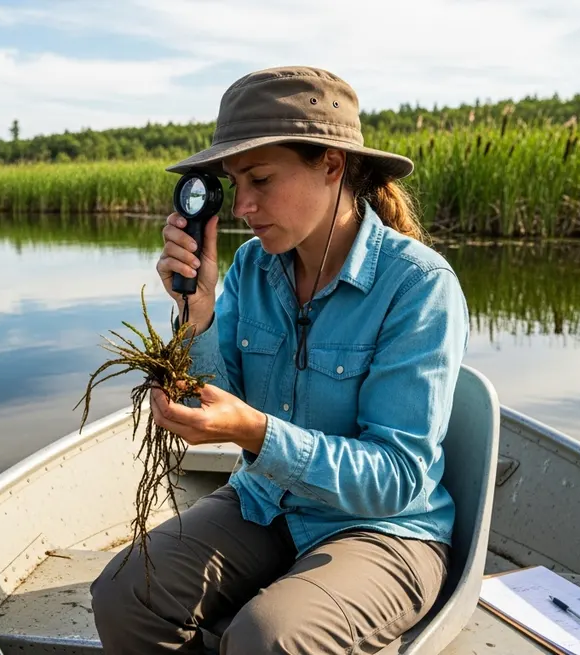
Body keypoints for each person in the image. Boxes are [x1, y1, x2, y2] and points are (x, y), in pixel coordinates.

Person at [90, 65, 470, 654]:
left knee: (268, 639)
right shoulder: (250, 269)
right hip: (266, 502)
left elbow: (397, 478)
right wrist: (200, 311)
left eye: (261, 179)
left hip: (385, 532)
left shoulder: (418, 286)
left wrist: (257, 432)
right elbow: (210, 397)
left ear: (332, 166)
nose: (242, 205)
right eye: (235, 182)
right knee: (125, 593)